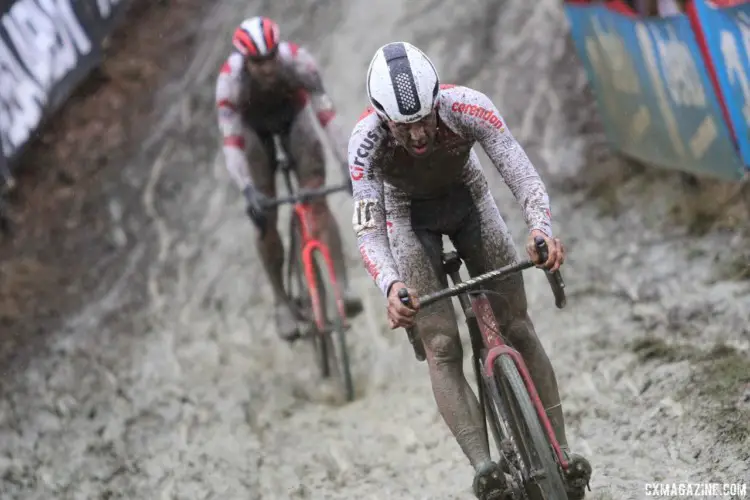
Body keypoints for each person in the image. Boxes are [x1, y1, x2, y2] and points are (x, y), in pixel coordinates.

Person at [349, 42, 592, 499]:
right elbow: (367, 231)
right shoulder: (365, 144)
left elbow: (521, 173)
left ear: (438, 99)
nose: (419, 135)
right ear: (383, 120)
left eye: (425, 119)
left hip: (470, 201)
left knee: (518, 326)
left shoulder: (467, 106)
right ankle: (486, 469)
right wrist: (391, 284)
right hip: (406, 219)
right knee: (441, 345)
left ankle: (561, 452)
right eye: (405, 127)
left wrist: (540, 230)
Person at [216, 16, 362, 341]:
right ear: (245, 60)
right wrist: (248, 189)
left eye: (270, 58)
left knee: (316, 198)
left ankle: (341, 285)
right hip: (255, 132)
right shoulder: (230, 83)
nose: (267, 68)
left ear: (278, 52)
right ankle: (282, 302)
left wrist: (347, 165)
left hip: (294, 119)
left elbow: (327, 117)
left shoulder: (300, 62)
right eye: (258, 62)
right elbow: (232, 143)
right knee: (266, 218)